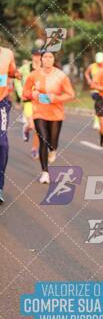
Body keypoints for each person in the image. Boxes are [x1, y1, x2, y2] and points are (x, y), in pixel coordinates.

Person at [22, 51, 75, 184]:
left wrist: (55, 98)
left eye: (50, 57)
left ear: (53, 59)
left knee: (53, 143)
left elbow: (70, 94)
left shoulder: (61, 75)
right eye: (45, 57)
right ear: (41, 59)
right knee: (43, 140)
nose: (47, 59)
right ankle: (45, 172)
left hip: (56, 113)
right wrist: (32, 94)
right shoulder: (34, 75)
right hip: (39, 111)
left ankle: (53, 150)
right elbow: (25, 92)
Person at [0, 45, 21, 203]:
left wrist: (17, 74)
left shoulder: (7, 54)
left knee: (2, 144)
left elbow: (13, 72)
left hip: (1, 103)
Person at [14, 49, 41, 159]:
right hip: (28, 100)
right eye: (35, 55)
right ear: (32, 56)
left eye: (39, 55)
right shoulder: (25, 69)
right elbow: (16, 79)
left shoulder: (44, 69)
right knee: (32, 125)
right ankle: (27, 128)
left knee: (38, 127)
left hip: (40, 100)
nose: (37, 57)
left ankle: (34, 149)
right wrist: (21, 93)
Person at [84, 51, 103, 130]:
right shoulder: (92, 66)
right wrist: (89, 80)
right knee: (98, 104)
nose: (99, 63)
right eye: (98, 62)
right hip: (95, 90)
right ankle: (96, 121)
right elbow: (86, 73)